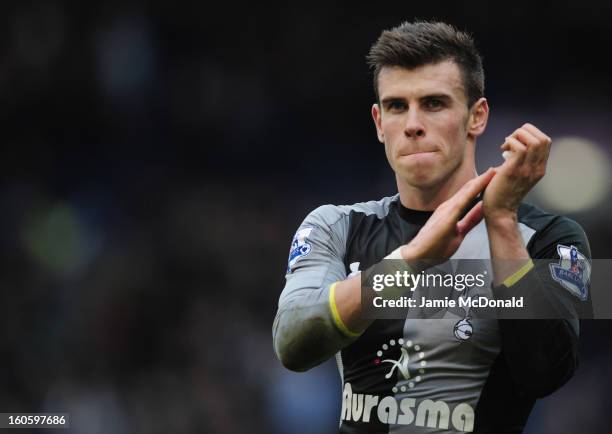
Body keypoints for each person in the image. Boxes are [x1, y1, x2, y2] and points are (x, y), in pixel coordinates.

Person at [273, 21, 592, 433]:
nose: (413, 124)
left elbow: (548, 372)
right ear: (378, 122)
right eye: (396, 106)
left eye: (435, 103)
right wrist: (411, 261)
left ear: (477, 117)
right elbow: (292, 344)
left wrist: (500, 221)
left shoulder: (556, 238)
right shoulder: (335, 225)